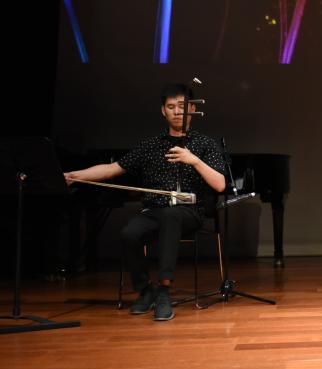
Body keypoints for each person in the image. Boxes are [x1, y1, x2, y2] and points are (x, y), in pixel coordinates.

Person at [63, 83, 226, 321]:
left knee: (171, 217)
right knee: (130, 233)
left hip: (189, 213)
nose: (177, 111)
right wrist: (73, 176)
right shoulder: (149, 146)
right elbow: (111, 169)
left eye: (182, 106)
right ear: (163, 111)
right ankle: (145, 290)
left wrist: (193, 160)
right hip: (154, 211)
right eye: (171, 107)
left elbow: (220, 184)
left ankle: (164, 291)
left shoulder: (205, 144)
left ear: (192, 109)